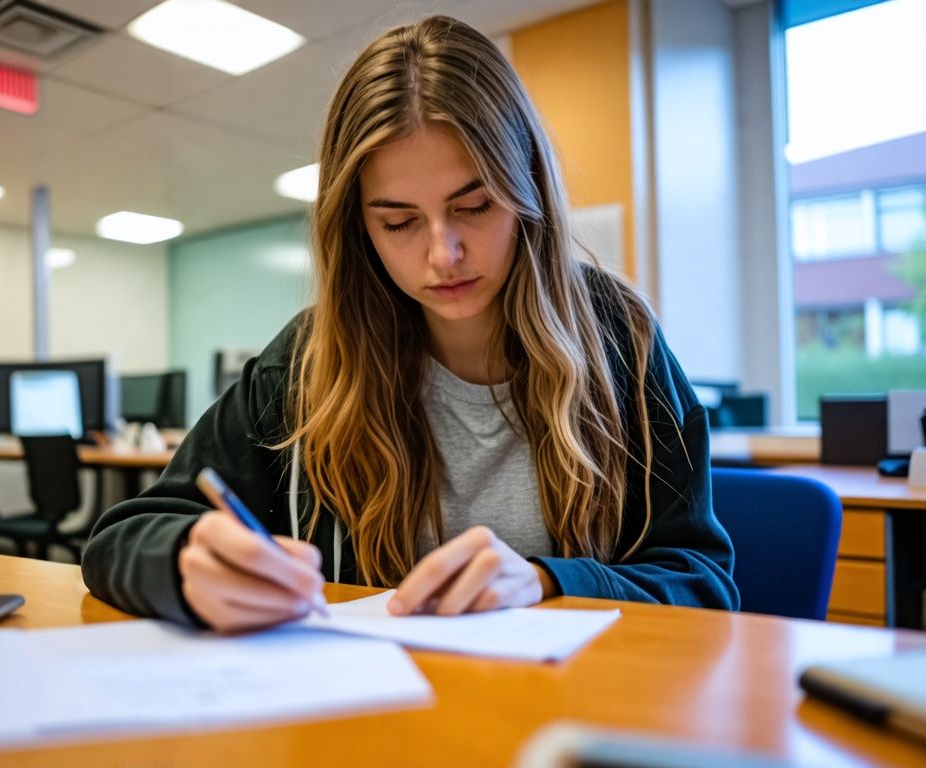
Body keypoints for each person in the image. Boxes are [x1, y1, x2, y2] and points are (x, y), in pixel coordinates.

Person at [81, 15, 738, 632]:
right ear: (359, 228)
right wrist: (187, 559)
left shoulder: (620, 342)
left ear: (527, 191)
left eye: (475, 206)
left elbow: (704, 581)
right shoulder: (307, 364)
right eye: (398, 222)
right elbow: (119, 539)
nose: (441, 254)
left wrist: (548, 581)